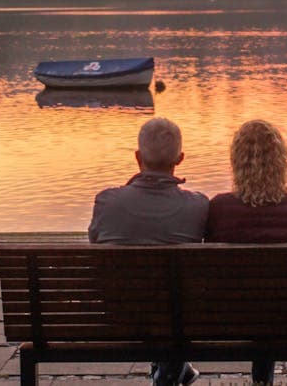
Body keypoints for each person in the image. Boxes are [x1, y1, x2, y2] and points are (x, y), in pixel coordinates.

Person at [88, 117, 207, 386]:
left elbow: (95, 249)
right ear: (180, 158)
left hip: (119, 317)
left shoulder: (107, 201)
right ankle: (171, 371)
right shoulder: (198, 206)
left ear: (138, 157)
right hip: (179, 320)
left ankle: (170, 371)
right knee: (175, 300)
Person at [205, 119, 287, 385]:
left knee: (253, 296)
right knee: (272, 295)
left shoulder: (220, 208)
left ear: (236, 161)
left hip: (229, 321)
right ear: (281, 161)